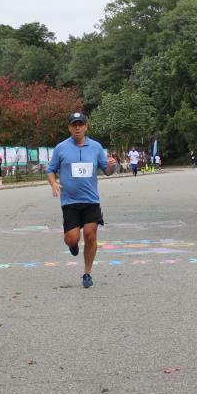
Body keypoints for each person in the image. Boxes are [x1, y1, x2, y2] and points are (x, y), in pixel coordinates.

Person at [47, 112, 116, 289]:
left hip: (91, 200)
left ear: (86, 127)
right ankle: (73, 245)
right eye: (74, 125)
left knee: (90, 236)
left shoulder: (96, 147)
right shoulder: (61, 148)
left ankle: (87, 273)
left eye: (80, 125)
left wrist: (111, 166)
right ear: (69, 128)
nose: (77, 128)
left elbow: (107, 171)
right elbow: (50, 169)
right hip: (69, 202)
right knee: (72, 238)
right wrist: (53, 183)